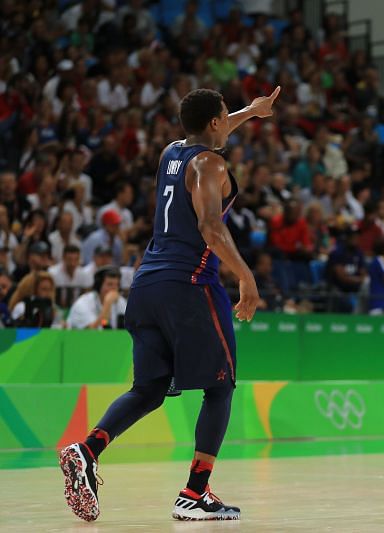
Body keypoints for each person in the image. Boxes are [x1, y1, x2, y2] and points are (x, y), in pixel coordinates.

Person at [59, 86, 280, 522]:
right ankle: (195, 492)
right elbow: (211, 228)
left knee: (149, 388)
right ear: (215, 122)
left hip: (146, 286)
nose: (228, 123)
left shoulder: (171, 153)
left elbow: (210, 132)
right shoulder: (210, 164)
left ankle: (87, 451)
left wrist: (250, 113)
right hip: (190, 284)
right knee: (220, 387)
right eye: (225, 117)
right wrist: (246, 276)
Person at [48, 244, 92, 309]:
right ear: (63, 258)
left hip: (78, 309)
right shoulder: (52, 273)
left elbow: (87, 296)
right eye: (69, 259)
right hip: (57, 308)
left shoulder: (84, 274)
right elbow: (49, 295)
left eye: (76, 260)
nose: (72, 263)